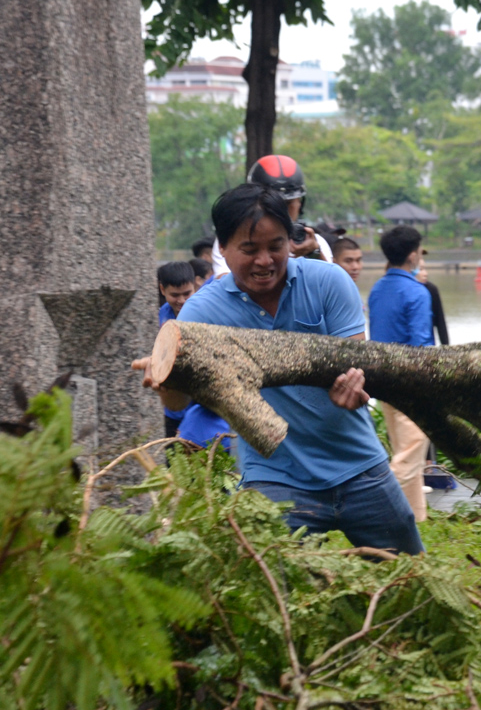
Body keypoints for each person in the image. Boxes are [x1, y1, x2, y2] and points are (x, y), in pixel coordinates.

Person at [134, 184, 423, 554]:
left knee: (411, 580)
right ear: (222, 248)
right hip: (273, 476)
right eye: (249, 249)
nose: (265, 261)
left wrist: (353, 385)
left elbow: (356, 362)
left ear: (290, 239)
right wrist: (164, 378)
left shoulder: (328, 282)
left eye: (276, 246)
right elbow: (177, 404)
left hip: (358, 465)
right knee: (267, 589)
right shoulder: (200, 316)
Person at [368, 225, 434, 522]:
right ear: (412, 255)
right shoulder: (417, 292)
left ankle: (415, 518)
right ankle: (369, 499)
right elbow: (421, 345)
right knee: (412, 451)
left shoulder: (377, 289)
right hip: (410, 384)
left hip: (382, 379)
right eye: (420, 251)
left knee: (405, 450)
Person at [210, 155, 332, 276]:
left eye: (287, 204)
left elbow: (330, 286)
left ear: (300, 202)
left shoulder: (314, 242)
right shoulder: (232, 239)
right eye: (250, 250)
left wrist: (314, 253)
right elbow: (224, 285)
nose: (280, 211)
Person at [156, 261, 197, 437]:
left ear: (195, 285)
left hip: (201, 405)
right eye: (175, 295)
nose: (181, 300)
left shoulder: (205, 312)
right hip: (172, 403)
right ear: (162, 290)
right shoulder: (159, 317)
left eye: (187, 293)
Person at [416, 265, 450, 346]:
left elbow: (440, 322)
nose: (425, 274)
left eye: (424, 269)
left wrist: (446, 349)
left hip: (427, 346)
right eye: (420, 269)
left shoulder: (431, 290)